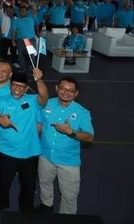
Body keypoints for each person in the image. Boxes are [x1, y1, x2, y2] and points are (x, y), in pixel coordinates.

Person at [0, 69, 48, 224]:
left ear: (27, 88)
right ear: (10, 85)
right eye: (14, 85)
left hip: (30, 154)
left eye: (21, 87)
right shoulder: (2, 101)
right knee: (2, 186)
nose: (17, 89)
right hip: (6, 153)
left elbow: (44, 98)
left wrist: (39, 80)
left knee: (28, 188)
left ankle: (26, 213)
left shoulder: (33, 101)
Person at [37, 77, 94, 214]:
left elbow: (90, 137)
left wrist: (71, 132)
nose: (66, 93)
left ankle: (66, 217)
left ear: (76, 94)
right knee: (45, 183)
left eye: (71, 91)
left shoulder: (82, 113)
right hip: (45, 155)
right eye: (62, 89)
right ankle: (46, 204)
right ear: (56, 89)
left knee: (69, 195)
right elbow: (38, 124)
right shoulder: (47, 105)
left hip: (68, 161)